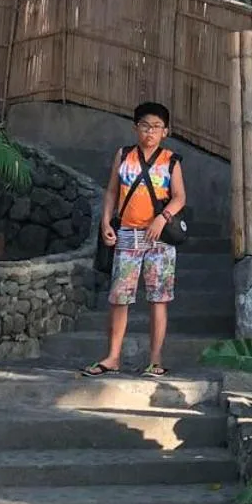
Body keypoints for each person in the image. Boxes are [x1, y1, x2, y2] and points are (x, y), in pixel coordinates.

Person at [85, 102, 187, 377]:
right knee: (119, 297)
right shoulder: (125, 155)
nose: (149, 132)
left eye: (156, 127)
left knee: (159, 298)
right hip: (128, 233)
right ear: (135, 128)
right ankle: (113, 356)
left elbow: (179, 197)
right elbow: (111, 192)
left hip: (159, 238)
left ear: (165, 131)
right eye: (144, 126)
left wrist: (162, 217)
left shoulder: (171, 160)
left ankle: (155, 359)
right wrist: (106, 221)